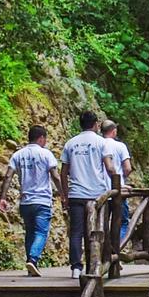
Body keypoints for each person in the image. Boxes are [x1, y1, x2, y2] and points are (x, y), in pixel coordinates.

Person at [60, 109, 119, 278]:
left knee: (76, 232)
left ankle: (76, 268)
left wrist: (65, 194)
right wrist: (116, 183)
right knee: (99, 231)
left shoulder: (71, 143)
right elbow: (109, 167)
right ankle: (97, 264)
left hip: (76, 194)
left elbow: (64, 172)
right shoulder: (101, 143)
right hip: (97, 195)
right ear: (96, 124)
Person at [0, 124, 60, 277]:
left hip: (25, 202)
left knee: (30, 232)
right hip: (42, 200)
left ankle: (31, 265)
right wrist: (64, 194)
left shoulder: (18, 155)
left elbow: (8, 176)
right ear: (41, 138)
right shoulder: (46, 154)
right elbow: (55, 176)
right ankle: (33, 258)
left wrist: (3, 198)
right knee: (41, 232)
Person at [102, 120, 134, 244]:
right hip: (117, 189)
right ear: (114, 130)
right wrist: (122, 179)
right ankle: (114, 249)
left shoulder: (98, 144)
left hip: (100, 191)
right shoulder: (120, 146)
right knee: (122, 221)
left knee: (102, 222)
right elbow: (127, 168)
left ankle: (104, 249)